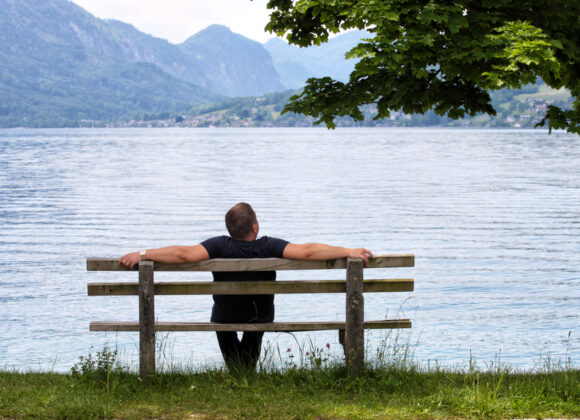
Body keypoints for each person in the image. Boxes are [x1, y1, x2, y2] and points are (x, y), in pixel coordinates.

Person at [119, 202, 373, 371]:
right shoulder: (268, 246)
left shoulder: (218, 245)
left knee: (223, 319)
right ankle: (244, 374)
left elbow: (183, 254)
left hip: (224, 316)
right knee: (256, 319)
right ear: (255, 227)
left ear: (230, 229)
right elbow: (307, 251)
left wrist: (143, 253)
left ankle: (239, 373)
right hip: (258, 316)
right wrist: (348, 251)